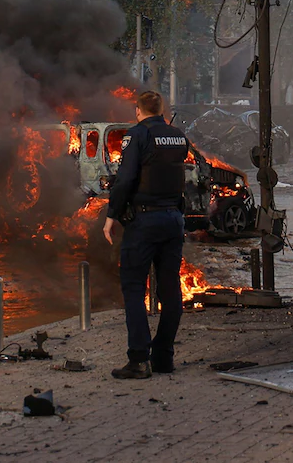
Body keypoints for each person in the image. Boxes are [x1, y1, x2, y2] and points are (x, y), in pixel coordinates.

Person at [102, 90, 188, 379]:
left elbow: (125, 179)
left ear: (138, 110)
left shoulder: (137, 135)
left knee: (134, 288)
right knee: (170, 290)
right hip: (174, 219)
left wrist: (111, 215)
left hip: (144, 220)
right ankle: (164, 357)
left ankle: (139, 359)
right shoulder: (178, 136)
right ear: (161, 110)